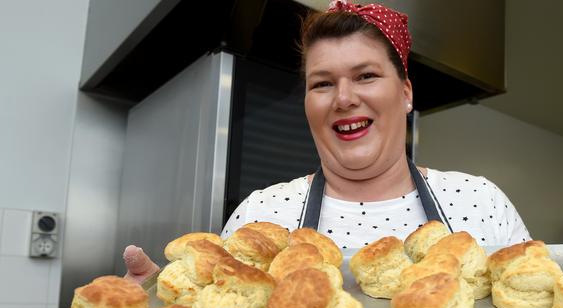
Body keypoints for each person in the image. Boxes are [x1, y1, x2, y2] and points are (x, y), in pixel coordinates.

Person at [123, 0, 531, 281]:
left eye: (366, 76)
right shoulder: (261, 215)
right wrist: (159, 305)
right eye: (322, 83)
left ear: (406, 93)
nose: (344, 98)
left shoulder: (479, 201)